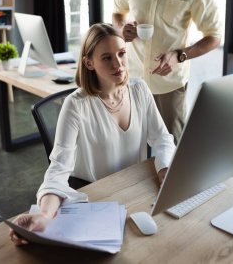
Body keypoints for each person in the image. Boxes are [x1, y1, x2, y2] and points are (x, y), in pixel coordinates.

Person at [9, 23, 175, 245]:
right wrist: (44, 215)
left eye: (122, 54)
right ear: (89, 63)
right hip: (97, 202)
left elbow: (162, 138)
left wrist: (164, 169)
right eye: (106, 58)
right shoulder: (75, 105)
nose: (118, 64)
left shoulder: (139, 89)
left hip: (135, 191)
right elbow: (58, 169)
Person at [113, 0, 222, 144]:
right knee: (130, 147)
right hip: (129, 80)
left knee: (171, 150)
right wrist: (122, 28)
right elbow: (117, 11)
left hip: (170, 86)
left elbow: (214, 37)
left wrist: (179, 55)